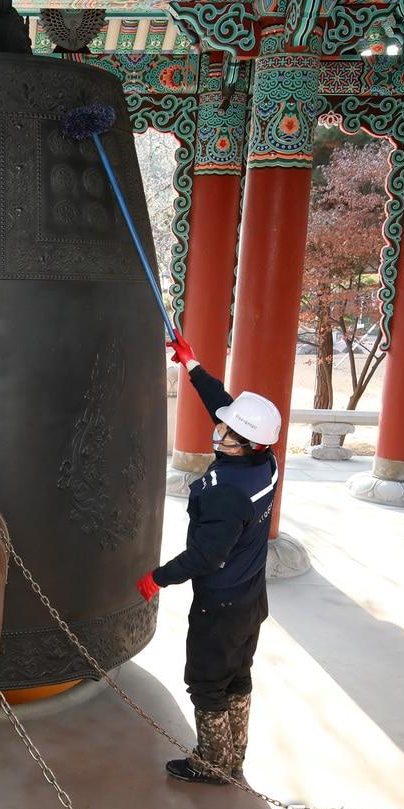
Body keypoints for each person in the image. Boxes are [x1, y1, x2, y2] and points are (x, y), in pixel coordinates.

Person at [138, 336, 282, 785]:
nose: (218, 434)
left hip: (219, 605)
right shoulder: (266, 464)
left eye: (228, 437)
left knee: (205, 684)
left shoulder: (226, 493)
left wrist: (158, 578)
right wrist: (193, 366)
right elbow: (224, 406)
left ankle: (212, 763)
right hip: (249, 597)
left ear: (250, 445)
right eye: (223, 429)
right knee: (236, 677)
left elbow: (206, 555)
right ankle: (233, 753)